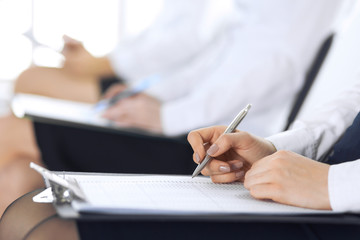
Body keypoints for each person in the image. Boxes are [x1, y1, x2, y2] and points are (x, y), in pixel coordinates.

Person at [0, 0, 344, 215]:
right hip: (188, 121)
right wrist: (148, 96)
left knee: (9, 131)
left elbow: (273, 66)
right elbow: (210, 60)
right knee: (17, 178)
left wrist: (166, 115)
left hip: (208, 148)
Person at [1, 77, 360, 240]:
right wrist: (278, 149)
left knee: (46, 225)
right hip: (317, 179)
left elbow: (270, 68)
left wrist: (330, 184)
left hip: (342, 203)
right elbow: (352, 102)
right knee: (29, 206)